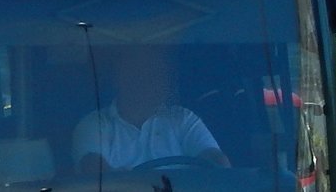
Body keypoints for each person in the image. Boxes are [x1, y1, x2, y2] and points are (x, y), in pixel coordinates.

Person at [71, 45, 230, 173]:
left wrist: (218, 167)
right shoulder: (94, 125)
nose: (151, 83)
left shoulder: (183, 119)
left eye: (157, 75)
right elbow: (94, 172)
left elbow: (217, 163)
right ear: (119, 79)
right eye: (139, 74)